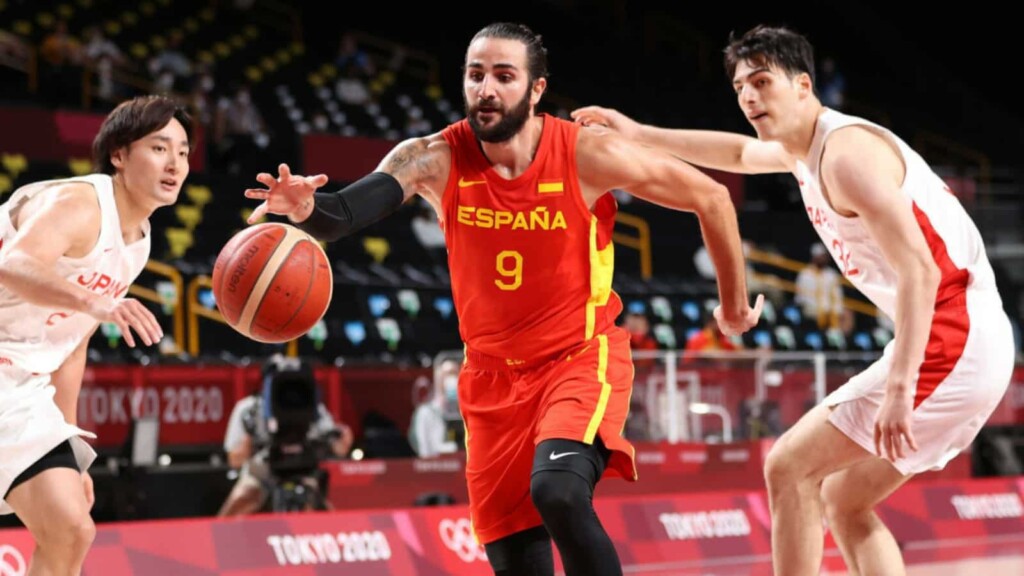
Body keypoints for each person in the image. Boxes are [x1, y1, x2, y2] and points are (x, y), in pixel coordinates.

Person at [243, 22, 762, 576]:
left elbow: (711, 197)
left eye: (504, 76)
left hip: (577, 359)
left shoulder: (585, 154)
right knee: (515, 558)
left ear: (536, 90)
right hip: (489, 380)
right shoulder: (432, 157)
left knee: (559, 492)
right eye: (475, 74)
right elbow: (343, 215)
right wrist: (304, 209)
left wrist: (732, 307)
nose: (486, 88)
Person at [572, 24, 1015, 576]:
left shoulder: (846, 154)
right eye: (740, 88)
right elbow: (736, 150)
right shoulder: (804, 150)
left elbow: (921, 270)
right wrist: (639, 132)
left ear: (803, 85)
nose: (749, 97)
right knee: (844, 502)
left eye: (762, 81)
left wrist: (901, 387)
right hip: (966, 340)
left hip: (954, 337)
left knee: (788, 467)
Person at [0, 95, 190, 575]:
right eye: (160, 148)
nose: (175, 164)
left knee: (71, 531)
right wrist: (99, 303)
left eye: (183, 152)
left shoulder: (137, 241)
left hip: (18, 381)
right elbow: (13, 265)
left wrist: (68, 441)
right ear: (120, 155)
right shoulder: (79, 202)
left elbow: (72, 342)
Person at [219, 355, 353, 516]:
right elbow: (234, 460)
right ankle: (215, 539)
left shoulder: (313, 408)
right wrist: (248, 442)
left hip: (303, 472)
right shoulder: (248, 410)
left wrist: (343, 440)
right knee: (240, 499)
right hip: (262, 473)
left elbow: (337, 449)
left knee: (328, 510)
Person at [794, 243, 844, 329]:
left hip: (829, 312)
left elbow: (837, 295)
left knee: (844, 314)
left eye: (824, 256)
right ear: (814, 257)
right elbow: (800, 297)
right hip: (811, 309)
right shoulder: (805, 274)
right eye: (820, 256)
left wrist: (836, 311)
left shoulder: (832, 274)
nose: (822, 258)